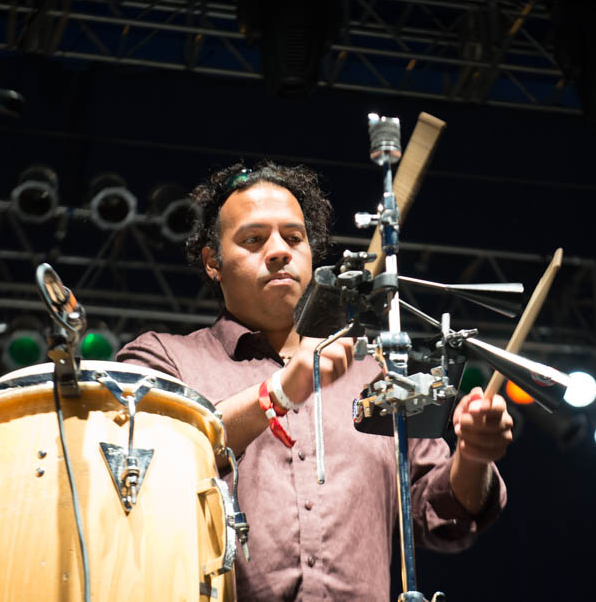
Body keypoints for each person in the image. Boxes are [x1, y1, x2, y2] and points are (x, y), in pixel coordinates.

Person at [117, 161, 514, 601]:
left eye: (293, 238)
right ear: (213, 262)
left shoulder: (375, 373)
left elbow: (440, 516)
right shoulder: (164, 358)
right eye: (253, 239)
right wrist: (281, 391)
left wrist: (474, 455)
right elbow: (150, 468)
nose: (279, 251)